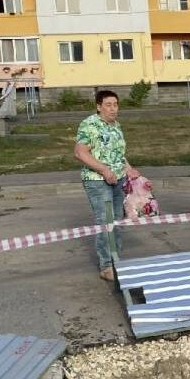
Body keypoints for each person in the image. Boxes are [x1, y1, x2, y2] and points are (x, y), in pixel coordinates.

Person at [74, 89, 140, 281]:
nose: (113, 109)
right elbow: (80, 153)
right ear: (98, 106)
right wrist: (104, 170)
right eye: (108, 105)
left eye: (115, 104)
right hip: (97, 181)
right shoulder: (89, 125)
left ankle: (116, 260)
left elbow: (117, 153)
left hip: (118, 179)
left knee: (117, 221)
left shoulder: (116, 126)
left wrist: (129, 169)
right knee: (105, 221)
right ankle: (106, 266)